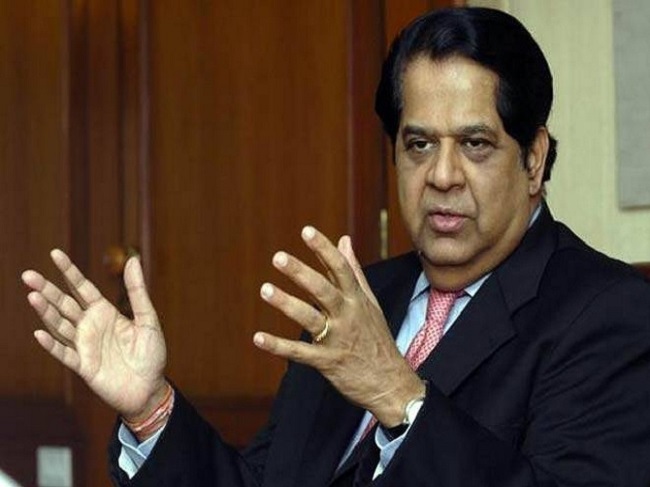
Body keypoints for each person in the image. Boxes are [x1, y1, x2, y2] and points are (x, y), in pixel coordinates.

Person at [21, 7, 650, 487]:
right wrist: (153, 410)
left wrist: (398, 395)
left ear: (534, 159)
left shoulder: (608, 313)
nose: (442, 176)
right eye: (419, 144)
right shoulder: (359, 299)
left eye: (475, 144)